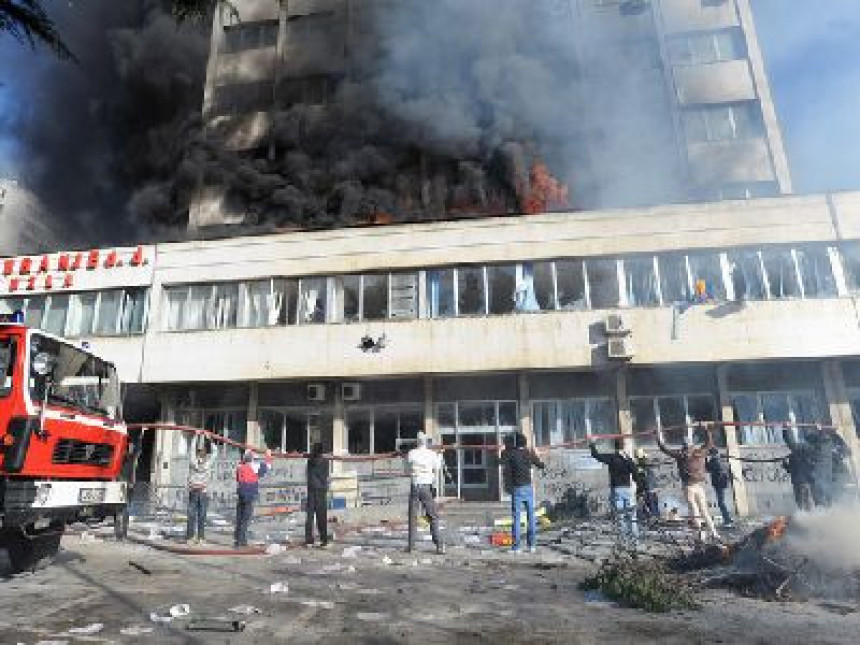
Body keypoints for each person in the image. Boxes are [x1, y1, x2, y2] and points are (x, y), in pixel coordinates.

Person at [656, 427, 719, 542]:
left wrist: (658, 437)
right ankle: (714, 533)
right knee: (704, 510)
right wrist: (707, 431)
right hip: (699, 485)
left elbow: (664, 449)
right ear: (691, 444)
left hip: (689, 486)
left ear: (684, 445)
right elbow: (710, 444)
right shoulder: (699, 452)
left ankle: (702, 535)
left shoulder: (681, 454)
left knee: (695, 510)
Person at [501, 432, 546, 554]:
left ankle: (517, 547)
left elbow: (501, 462)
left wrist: (502, 451)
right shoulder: (528, 454)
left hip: (517, 489)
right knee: (531, 517)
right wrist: (537, 454)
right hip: (528, 488)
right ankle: (532, 546)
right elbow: (541, 466)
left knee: (516, 518)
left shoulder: (512, 454)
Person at [591, 439, 638, 544]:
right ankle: (634, 540)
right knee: (631, 516)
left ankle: (623, 540)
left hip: (617, 490)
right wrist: (639, 488)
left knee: (620, 516)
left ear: (614, 447)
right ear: (623, 446)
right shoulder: (628, 459)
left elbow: (596, 455)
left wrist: (592, 444)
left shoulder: (612, 458)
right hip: (628, 489)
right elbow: (635, 474)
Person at [406, 432, 445, 554]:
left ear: (417, 442)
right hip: (425, 488)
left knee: (412, 517)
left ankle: (411, 546)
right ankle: (439, 545)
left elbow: (406, 468)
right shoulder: (432, 454)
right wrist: (440, 455)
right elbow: (438, 467)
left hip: (414, 487)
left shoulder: (411, 453)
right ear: (426, 442)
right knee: (433, 516)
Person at [234, 448, 273, 548]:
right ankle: (240, 541)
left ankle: (238, 540)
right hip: (249, 494)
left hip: (241, 493)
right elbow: (267, 467)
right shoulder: (254, 467)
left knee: (239, 517)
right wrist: (268, 455)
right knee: (245, 519)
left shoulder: (239, 466)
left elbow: (238, 478)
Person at [781, 426, 815, 511]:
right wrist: (785, 465)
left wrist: (785, 429)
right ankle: (808, 518)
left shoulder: (800, 453)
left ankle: (807, 518)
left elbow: (789, 441)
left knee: (802, 502)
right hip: (802, 481)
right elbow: (791, 469)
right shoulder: (803, 454)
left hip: (801, 482)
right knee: (805, 502)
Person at [186, 440, 212, 544]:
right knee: (199, 515)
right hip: (200, 492)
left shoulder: (195, 462)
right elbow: (215, 452)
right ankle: (196, 538)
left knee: (195, 515)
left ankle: (193, 537)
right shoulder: (205, 463)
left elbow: (192, 449)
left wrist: (197, 437)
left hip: (198, 491)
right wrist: (209, 439)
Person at [305, 442, 330, 548]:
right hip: (321, 490)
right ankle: (323, 540)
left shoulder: (310, 461)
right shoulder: (325, 462)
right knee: (322, 516)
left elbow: (310, 457)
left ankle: (309, 540)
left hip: (312, 490)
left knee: (310, 516)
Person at [705, 446, 734, 527]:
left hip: (719, 483)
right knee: (722, 502)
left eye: (710, 454)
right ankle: (728, 517)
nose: (710, 455)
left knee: (721, 502)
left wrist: (705, 460)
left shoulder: (714, 461)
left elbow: (707, 468)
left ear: (712, 454)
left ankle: (727, 520)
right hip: (723, 482)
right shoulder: (722, 459)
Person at [634, 447, 660, 520]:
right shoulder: (646, 464)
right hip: (652, 489)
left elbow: (643, 480)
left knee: (650, 508)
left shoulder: (641, 467)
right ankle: (656, 519)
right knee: (654, 507)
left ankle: (652, 521)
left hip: (647, 490)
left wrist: (640, 492)